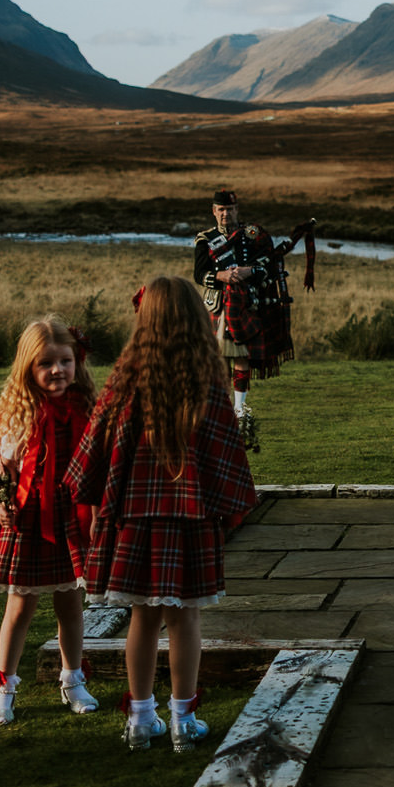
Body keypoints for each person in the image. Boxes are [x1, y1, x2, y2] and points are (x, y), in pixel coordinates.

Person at [66, 275, 258, 753]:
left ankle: (140, 720)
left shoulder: (124, 384)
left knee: (143, 618)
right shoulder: (207, 386)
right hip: (190, 521)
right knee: (184, 619)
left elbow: (93, 453)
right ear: (197, 321)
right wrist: (228, 512)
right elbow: (226, 459)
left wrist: (98, 508)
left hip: (135, 520)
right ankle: (182, 722)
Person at [0, 316, 101, 726]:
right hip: (29, 518)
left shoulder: (86, 407)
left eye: (65, 361)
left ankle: (73, 680)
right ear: (28, 368)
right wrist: (2, 502)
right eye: (46, 363)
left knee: (71, 604)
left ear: (77, 362)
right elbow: (1, 468)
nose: (58, 370)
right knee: (20, 606)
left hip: (70, 518)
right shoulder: (19, 413)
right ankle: (4, 688)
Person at [192, 187, 290, 445]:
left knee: (241, 355)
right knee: (217, 359)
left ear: (237, 210)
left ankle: (239, 408)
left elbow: (268, 267)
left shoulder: (252, 235)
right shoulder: (205, 239)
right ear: (214, 211)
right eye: (221, 209)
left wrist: (247, 272)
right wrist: (222, 276)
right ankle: (221, 406)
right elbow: (199, 274)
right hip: (217, 305)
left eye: (230, 209)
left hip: (245, 304)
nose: (226, 214)